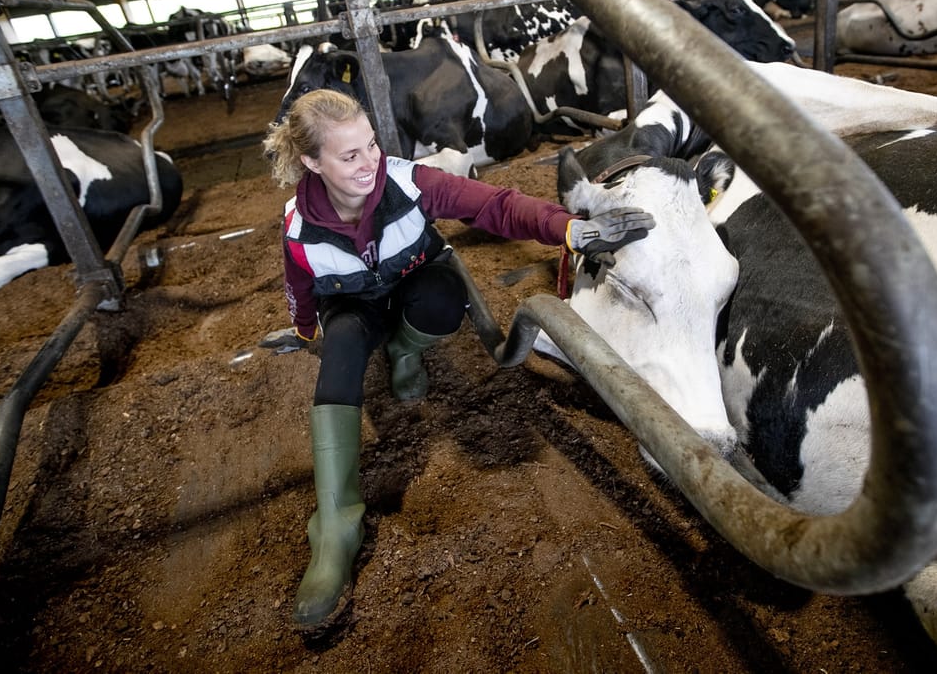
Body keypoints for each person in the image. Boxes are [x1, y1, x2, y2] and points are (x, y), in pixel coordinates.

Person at [259, 88, 654, 630]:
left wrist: (568, 228)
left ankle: (405, 352)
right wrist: (306, 330)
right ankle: (335, 528)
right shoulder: (298, 228)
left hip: (416, 278)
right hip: (353, 302)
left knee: (444, 298)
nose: (369, 162)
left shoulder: (407, 180)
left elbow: (492, 204)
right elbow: (300, 285)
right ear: (311, 162)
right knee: (341, 351)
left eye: (371, 145)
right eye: (349, 156)